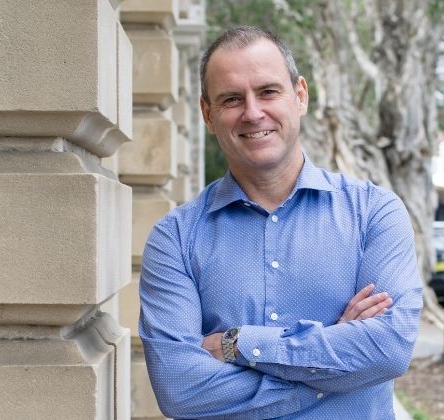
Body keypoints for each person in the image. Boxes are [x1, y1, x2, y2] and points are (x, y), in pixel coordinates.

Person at [139, 26, 422, 419]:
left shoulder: (375, 213)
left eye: (268, 91)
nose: (253, 113)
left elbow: (389, 349)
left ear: (300, 95)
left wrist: (237, 344)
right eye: (232, 99)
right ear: (208, 114)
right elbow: (179, 388)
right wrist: (330, 372)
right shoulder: (175, 238)